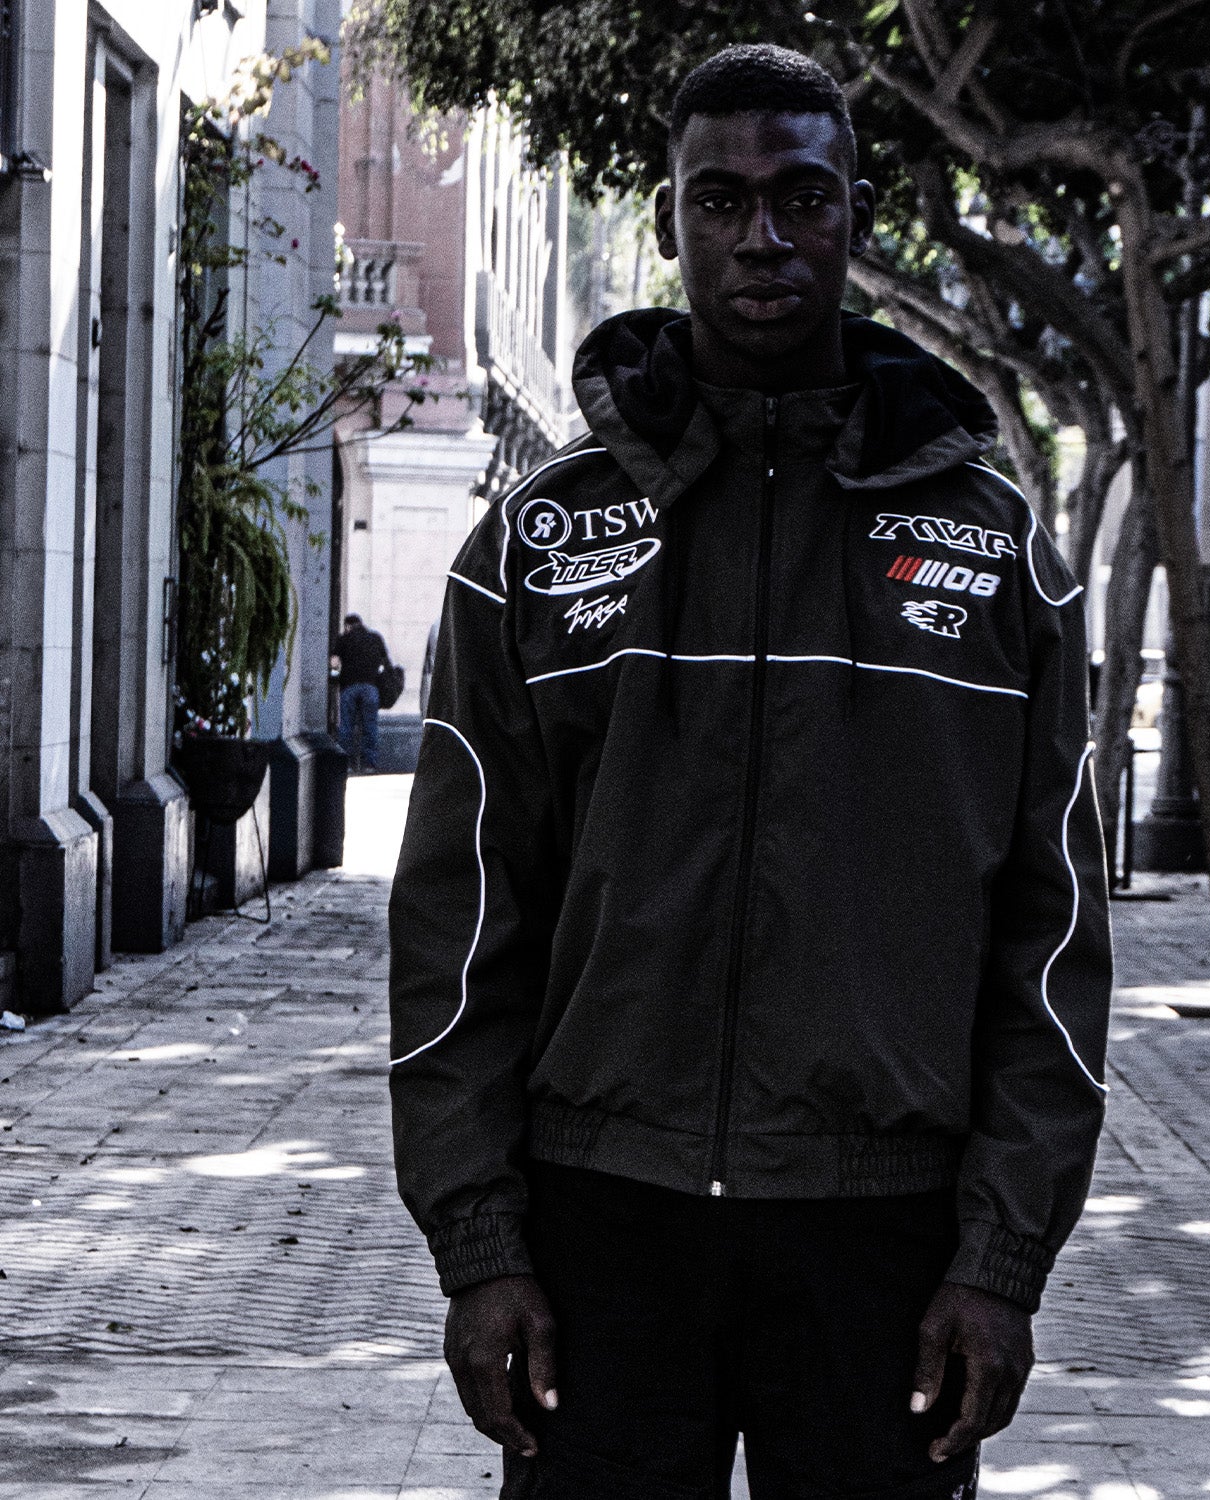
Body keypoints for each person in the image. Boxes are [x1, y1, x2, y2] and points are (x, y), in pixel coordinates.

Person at [389, 44, 1112, 1500]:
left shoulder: (992, 556)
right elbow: (461, 925)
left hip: (885, 1234)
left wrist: (1000, 1260)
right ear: (669, 224)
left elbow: (1055, 938)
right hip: (599, 1227)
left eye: (801, 197)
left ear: (857, 217)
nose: (762, 236)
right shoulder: (540, 548)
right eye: (719, 201)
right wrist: (480, 1245)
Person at [332, 612, 389, 773]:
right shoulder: (375, 638)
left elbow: (334, 663)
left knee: (346, 727)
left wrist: (334, 676)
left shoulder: (343, 639)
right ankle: (369, 764)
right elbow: (384, 662)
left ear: (347, 626)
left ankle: (346, 764)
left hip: (349, 687)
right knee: (370, 727)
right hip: (370, 687)